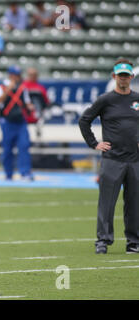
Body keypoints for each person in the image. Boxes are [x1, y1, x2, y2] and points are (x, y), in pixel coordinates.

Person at [78, 58, 139, 255]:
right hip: (112, 159)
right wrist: (94, 143)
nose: (123, 79)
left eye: (126, 76)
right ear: (114, 76)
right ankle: (103, 240)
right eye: (120, 75)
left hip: (135, 160)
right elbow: (84, 120)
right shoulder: (106, 99)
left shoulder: (137, 99)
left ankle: (133, 241)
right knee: (107, 202)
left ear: (131, 77)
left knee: (135, 203)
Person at [0, 65, 35, 181]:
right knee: (7, 149)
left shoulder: (22, 87)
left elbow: (27, 102)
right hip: (7, 122)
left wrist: (31, 107)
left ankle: (25, 172)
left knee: (24, 146)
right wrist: (8, 89)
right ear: (11, 75)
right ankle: (8, 173)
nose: (18, 77)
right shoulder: (1, 87)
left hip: (21, 122)